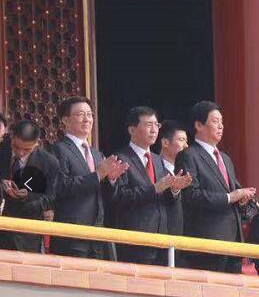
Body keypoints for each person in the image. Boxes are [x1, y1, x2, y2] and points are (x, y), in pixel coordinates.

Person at [176, 101, 255, 272]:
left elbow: (232, 192)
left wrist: (241, 199)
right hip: (207, 242)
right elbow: (191, 195)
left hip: (233, 241)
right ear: (199, 125)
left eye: (222, 122)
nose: (221, 126)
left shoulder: (225, 158)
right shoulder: (188, 155)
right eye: (215, 121)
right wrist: (229, 197)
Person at [108, 106, 190, 265]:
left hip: (161, 239)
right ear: (132, 130)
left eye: (156, 125)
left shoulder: (158, 160)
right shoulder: (121, 158)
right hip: (136, 240)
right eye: (148, 125)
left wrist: (174, 189)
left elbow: (164, 198)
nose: (154, 130)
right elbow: (119, 196)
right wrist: (154, 189)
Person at [48, 96, 127, 259]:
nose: (87, 119)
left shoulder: (97, 154)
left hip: (96, 235)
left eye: (90, 114)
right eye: (80, 114)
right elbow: (60, 187)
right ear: (65, 120)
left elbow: (106, 196)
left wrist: (111, 180)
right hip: (71, 235)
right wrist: (97, 175)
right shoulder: (58, 150)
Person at [0, 120, 58, 253]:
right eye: (16, 147)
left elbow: (50, 198)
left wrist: (27, 196)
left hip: (28, 235)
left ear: (37, 144)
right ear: (12, 136)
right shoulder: (2, 150)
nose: (20, 153)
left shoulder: (49, 163)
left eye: (27, 149)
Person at [155, 120, 189, 235]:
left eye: (186, 141)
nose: (186, 146)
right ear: (165, 142)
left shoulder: (185, 172)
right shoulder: (153, 170)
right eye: (181, 140)